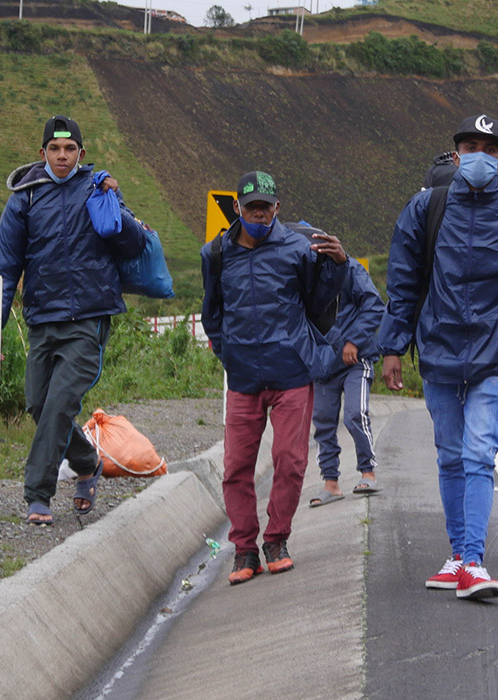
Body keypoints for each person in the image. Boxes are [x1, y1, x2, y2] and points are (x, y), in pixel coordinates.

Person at [379, 115, 498, 601]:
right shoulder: (424, 208)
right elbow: (404, 283)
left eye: (489, 147)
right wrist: (393, 346)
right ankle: (458, 556)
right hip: (438, 348)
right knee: (450, 456)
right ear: (456, 155)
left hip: (496, 354)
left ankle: (473, 561)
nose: (479, 154)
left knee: (480, 455)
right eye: (470, 145)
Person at [0, 115, 147, 525]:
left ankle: (37, 495)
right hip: (42, 317)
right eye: (55, 149)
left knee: (60, 403)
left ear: (82, 153)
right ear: (42, 154)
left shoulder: (97, 187)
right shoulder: (24, 198)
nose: (63, 156)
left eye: (70, 149)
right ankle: (87, 460)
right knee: (39, 404)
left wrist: (115, 202)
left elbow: (132, 243)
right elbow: (5, 268)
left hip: (88, 318)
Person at [200, 171, 349, 585]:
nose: (260, 215)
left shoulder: (298, 249)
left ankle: (276, 539)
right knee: (235, 467)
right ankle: (244, 548)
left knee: (290, 460)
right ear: (238, 209)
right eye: (252, 208)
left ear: (277, 208)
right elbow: (212, 311)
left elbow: (319, 300)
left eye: (266, 208)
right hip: (244, 376)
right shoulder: (216, 254)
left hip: (291, 372)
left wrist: (338, 265)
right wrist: (226, 350)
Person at [308, 258, 386, 507]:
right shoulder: (300, 275)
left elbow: (374, 305)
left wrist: (354, 340)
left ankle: (368, 472)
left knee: (355, 414)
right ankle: (331, 483)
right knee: (322, 422)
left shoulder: (351, 269)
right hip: (322, 363)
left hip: (356, 359)